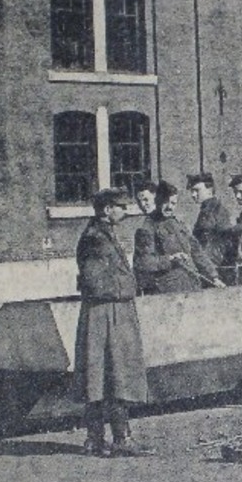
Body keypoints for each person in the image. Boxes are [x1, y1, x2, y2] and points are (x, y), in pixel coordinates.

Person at [75, 188, 152, 458]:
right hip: (104, 313)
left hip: (112, 312)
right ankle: (106, 439)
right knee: (105, 374)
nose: (125, 211)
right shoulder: (94, 239)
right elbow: (94, 281)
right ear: (106, 210)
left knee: (112, 374)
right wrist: (127, 288)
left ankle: (112, 438)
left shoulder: (104, 235)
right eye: (120, 206)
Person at [133, 181, 224, 295]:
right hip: (168, 291)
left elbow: (197, 251)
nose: (169, 207)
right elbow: (143, 262)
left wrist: (213, 277)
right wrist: (170, 259)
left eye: (173, 203)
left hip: (191, 285)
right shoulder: (147, 228)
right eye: (165, 202)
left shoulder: (179, 224)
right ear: (157, 200)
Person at [188, 171, 233, 256]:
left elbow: (222, 241)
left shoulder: (215, 210)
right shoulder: (207, 210)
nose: (193, 195)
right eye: (192, 191)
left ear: (209, 190)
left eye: (197, 190)